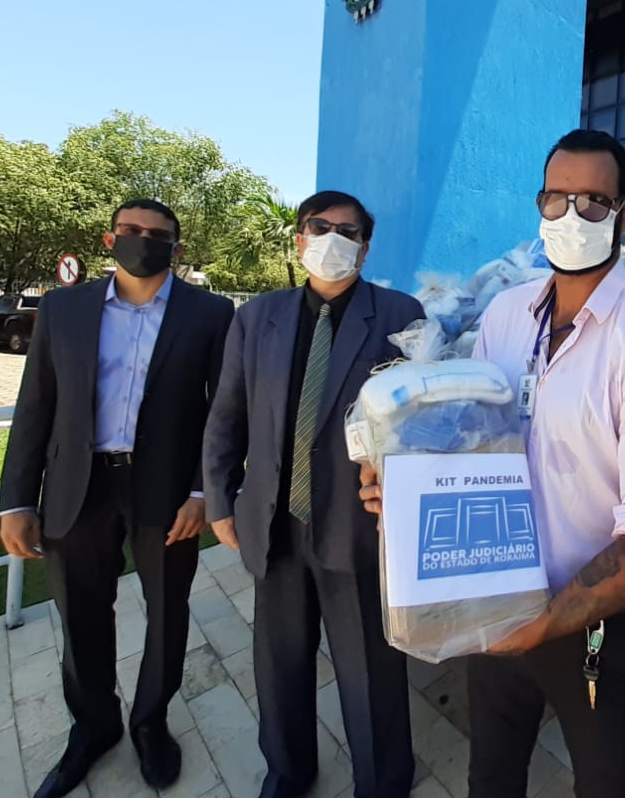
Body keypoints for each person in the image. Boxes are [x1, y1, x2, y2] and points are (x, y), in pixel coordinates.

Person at [360, 129, 625, 798]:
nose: (571, 218)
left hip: (596, 625)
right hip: (496, 596)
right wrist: (403, 482)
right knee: (491, 772)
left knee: (610, 782)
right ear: (538, 205)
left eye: (593, 203)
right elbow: (477, 437)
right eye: (556, 199)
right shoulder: (508, 314)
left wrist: (543, 625)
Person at [0, 199, 235, 797]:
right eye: (131, 231)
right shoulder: (63, 308)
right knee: (80, 616)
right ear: (110, 239)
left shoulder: (210, 313)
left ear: (176, 250)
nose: (143, 241)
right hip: (78, 485)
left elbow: (223, 412)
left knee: (167, 614)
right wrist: (16, 500)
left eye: (158, 236)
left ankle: (151, 722)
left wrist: (205, 490)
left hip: (166, 490)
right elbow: (36, 406)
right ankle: (94, 727)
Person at [202, 190, 424, 798]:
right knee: (279, 666)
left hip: (357, 527)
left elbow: (422, 425)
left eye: (348, 231)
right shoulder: (257, 317)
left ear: (365, 246)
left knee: (370, 673)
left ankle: (382, 782)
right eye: (319, 227)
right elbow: (227, 415)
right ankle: (288, 771)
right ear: (300, 238)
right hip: (273, 523)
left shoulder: (400, 315)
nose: (333, 239)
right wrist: (220, 501)